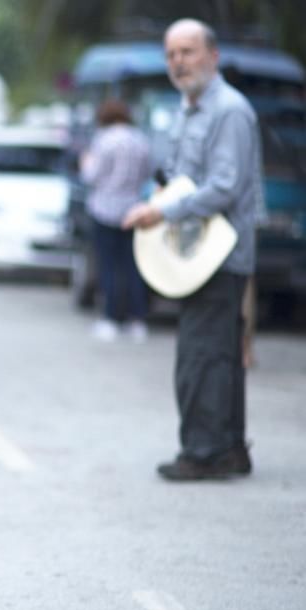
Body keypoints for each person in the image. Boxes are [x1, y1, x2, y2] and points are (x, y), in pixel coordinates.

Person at [123, 18, 264, 481]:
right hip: (197, 256)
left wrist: (161, 214)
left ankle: (202, 453)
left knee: (202, 354)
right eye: (171, 54)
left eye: (188, 51)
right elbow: (183, 181)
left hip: (220, 256)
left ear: (213, 55)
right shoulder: (189, 109)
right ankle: (229, 449)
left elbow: (224, 187)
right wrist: (156, 202)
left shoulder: (229, 110)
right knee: (219, 351)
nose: (178, 62)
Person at [80, 99, 151, 342]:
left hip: (105, 208)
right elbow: (147, 173)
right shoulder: (140, 139)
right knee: (133, 265)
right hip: (133, 209)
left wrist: (84, 162)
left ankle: (111, 317)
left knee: (108, 266)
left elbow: (91, 175)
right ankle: (137, 319)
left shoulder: (103, 139)